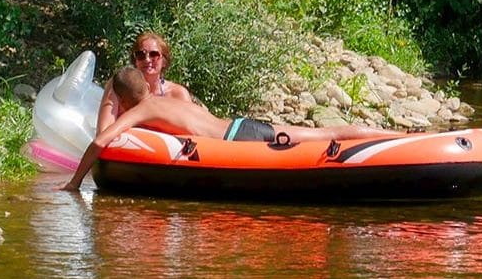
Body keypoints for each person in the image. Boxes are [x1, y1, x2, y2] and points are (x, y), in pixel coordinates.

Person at [62, 67, 397, 191]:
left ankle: (401, 143)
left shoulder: (143, 109)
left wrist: (75, 183)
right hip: (241, 125)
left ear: (123, 100)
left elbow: (100, 141)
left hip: (236, 141)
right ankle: (399, 139)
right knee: (329, 133)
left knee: (328, 138)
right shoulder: (173, 99)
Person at [95, 32, 198, 134]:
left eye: (154, 54)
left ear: (164, 61)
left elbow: (191, 135)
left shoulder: (178, 94)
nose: (147, 59)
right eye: (140, 55)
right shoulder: (119, 85)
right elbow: (103, 131)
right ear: (135, 60)